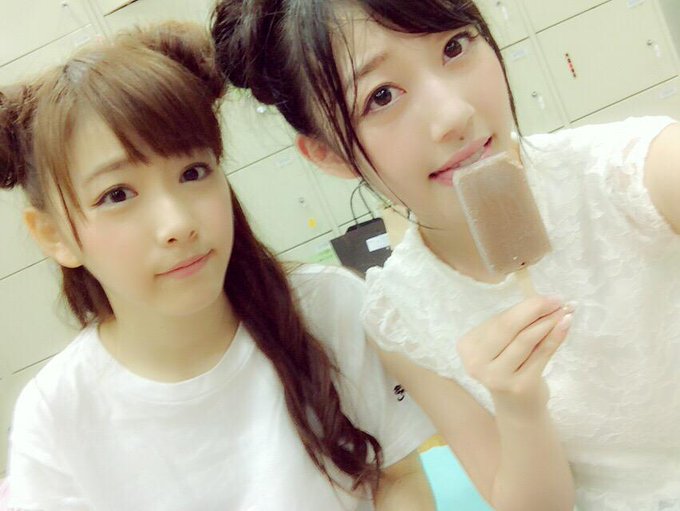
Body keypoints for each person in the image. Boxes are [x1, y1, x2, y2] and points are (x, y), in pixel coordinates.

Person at [211, 1, 680, 511]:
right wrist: (518, 408)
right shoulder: (402, 314)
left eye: (455, 47)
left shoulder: (636, 174)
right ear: (327, 154)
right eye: (381, 96)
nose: (454, 115)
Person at [0, 21, 437, 511]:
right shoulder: (55, 418)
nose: (177, 224)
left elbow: (398, 477)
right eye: (117, 194)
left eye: (193, 172)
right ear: (54, 236)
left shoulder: (328, 308)